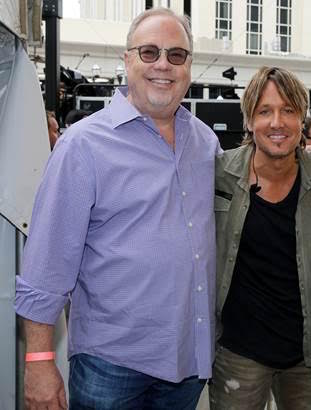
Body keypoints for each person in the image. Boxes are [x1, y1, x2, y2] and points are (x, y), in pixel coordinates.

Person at [15, 8, 220, 409]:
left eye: (176, 55)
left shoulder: (206, 144)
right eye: (149, 52)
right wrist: (39, 361)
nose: (163, 64)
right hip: (111, 368)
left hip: (187, 364)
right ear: (126, 60)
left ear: (189, 67)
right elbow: (45, 265)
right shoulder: (82, 146)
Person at [210, 66, 311, 409]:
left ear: (302, 119)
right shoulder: (218, 174)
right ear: (249, 121)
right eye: (265, 111)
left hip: (306, 353)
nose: (277, 122)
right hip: (238, 351)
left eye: (288, 111)